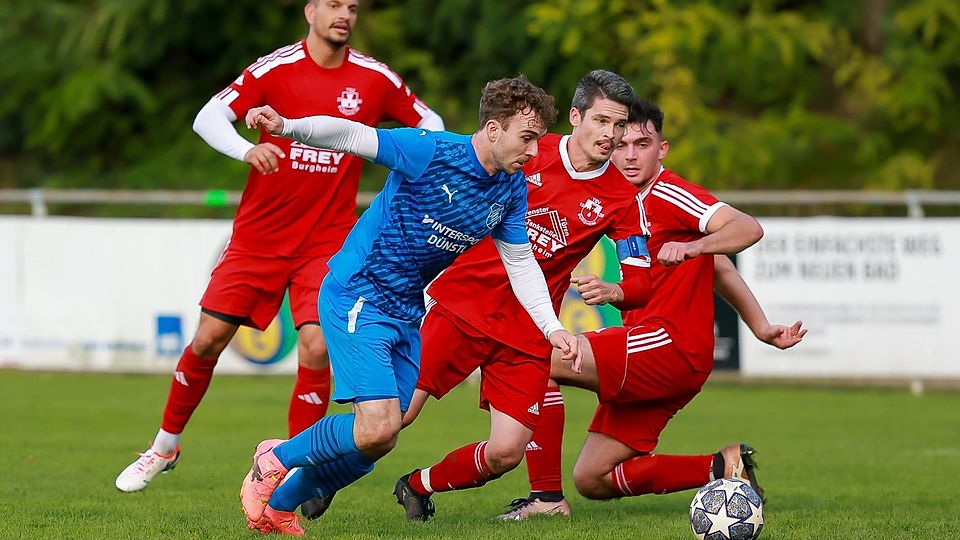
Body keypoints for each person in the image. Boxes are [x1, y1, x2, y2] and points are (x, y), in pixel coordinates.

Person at [114, 0, 444, 500]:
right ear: (310, 10)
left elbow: (432, 124)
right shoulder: (277, 68)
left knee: (315, 345)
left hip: (328, 239)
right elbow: (208, 118)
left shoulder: (374, 78)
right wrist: (246, 149)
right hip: (259, 238)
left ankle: (290, 468)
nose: (344, 14)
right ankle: (164, 447)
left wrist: (402, 166)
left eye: (352, 7)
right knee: (208, 340)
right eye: (333, 4)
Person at [237, 75, 581, 535]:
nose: (534, 151)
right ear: (494, 130)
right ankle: (274, 457)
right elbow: (352, 135)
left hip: (406, 311)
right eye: (527, 138)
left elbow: (521, 264)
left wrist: (552, 328)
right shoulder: (432, 151)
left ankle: (279, 507)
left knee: (381, 438)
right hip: (358, 293)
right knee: (377, 427)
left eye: (538, 139)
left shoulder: (510, 189)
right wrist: (287, 125)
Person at [499, 99, 806, 519]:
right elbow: (719, 268)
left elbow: (747, 227)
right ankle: (725, 466)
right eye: (621, 144)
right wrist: (761, 327)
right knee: (594, 479)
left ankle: (546, 500)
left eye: (641, 144)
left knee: (536, 357)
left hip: (667, 345)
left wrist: (694, 245)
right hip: (655, 355)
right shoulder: (616, 197)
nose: (628, 155)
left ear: (661, 149)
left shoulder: (667, 192)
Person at [382, 70, 655, 523]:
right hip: (462, 306)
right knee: (395, 416)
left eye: (620, 125)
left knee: (506, 452)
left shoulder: (622, 198)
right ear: (575, 116)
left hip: (527, 328)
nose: (611, 135)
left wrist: (614, 290)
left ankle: (416, 485)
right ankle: (303, 472)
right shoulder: (530, 151)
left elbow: (641, 282)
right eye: (602, 121)